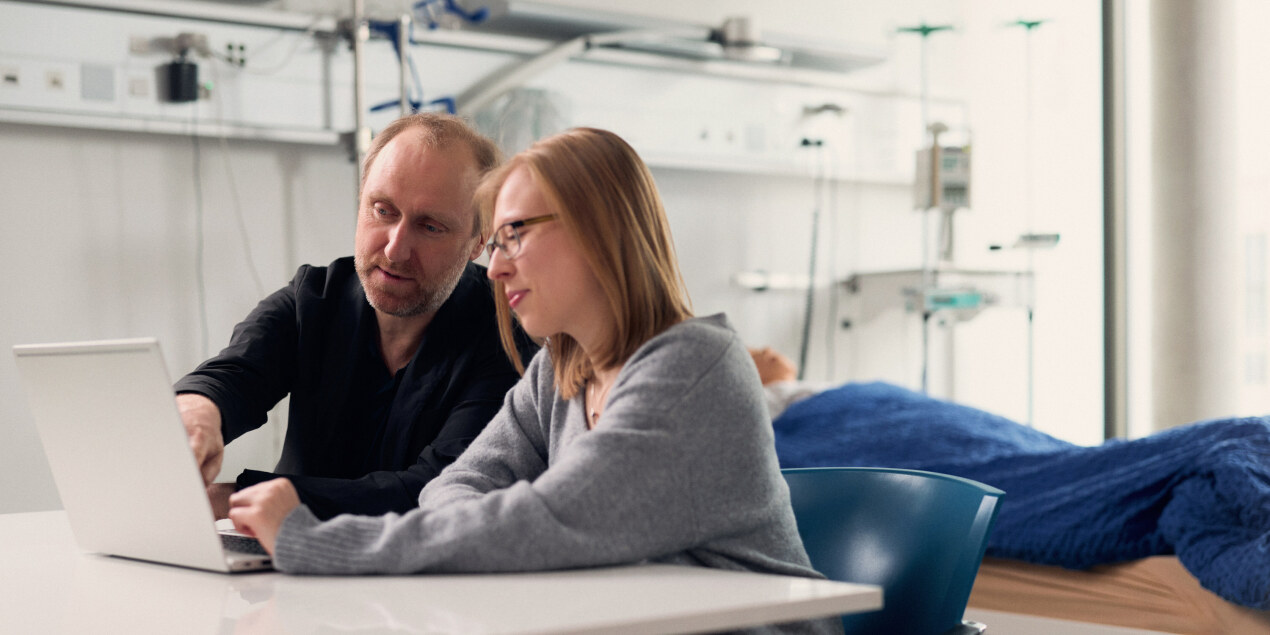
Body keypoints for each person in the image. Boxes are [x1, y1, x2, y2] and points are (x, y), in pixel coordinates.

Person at [228, 127, 838, 633]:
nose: (494, 266)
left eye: (515, 233)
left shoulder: (693, 368)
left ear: (600, 231)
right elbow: (454, 486)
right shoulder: (557, 369)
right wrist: (502, 531)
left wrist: (315, 544)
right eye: (495, 242)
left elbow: (550, 521)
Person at [175, 112, 536, 520]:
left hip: (423, 578)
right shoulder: (315, 298)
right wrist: (198, 413)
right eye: (383, 210)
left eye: (430, 226)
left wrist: (237, 499)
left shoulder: (510, 336)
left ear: (478, 242)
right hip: (282, 570)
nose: (396, 248)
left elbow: (436, 490)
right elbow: (233, 376)